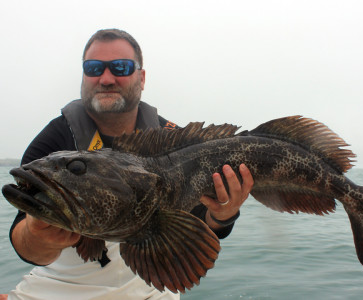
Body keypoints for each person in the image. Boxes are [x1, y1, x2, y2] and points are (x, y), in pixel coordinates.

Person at [6, 29, 254, 300]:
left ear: (142, 77)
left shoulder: (175, 144)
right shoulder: (52, 143)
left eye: (121, 67)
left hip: (148, 290)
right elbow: (26, 246)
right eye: (93, 68)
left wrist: (223, 215)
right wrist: (37, 236)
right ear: (83, 76)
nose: (106, 78)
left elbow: (197, 231)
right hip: (60, 288)